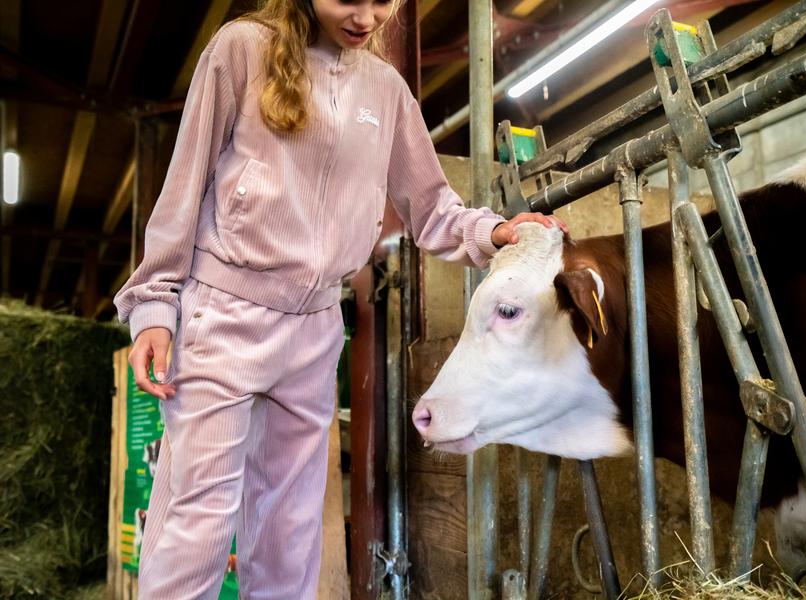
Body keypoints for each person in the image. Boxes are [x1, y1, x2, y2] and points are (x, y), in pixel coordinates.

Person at [114, 0, 566, 597]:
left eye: (383, 1)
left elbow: (432, 206)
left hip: (315, 328)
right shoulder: (240, 50)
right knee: (197, 523)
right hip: (224, 312)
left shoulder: (386, 90)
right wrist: (154, 303)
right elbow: (185, 180)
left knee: (290, 532)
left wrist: (495, 231)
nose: (367, 17)